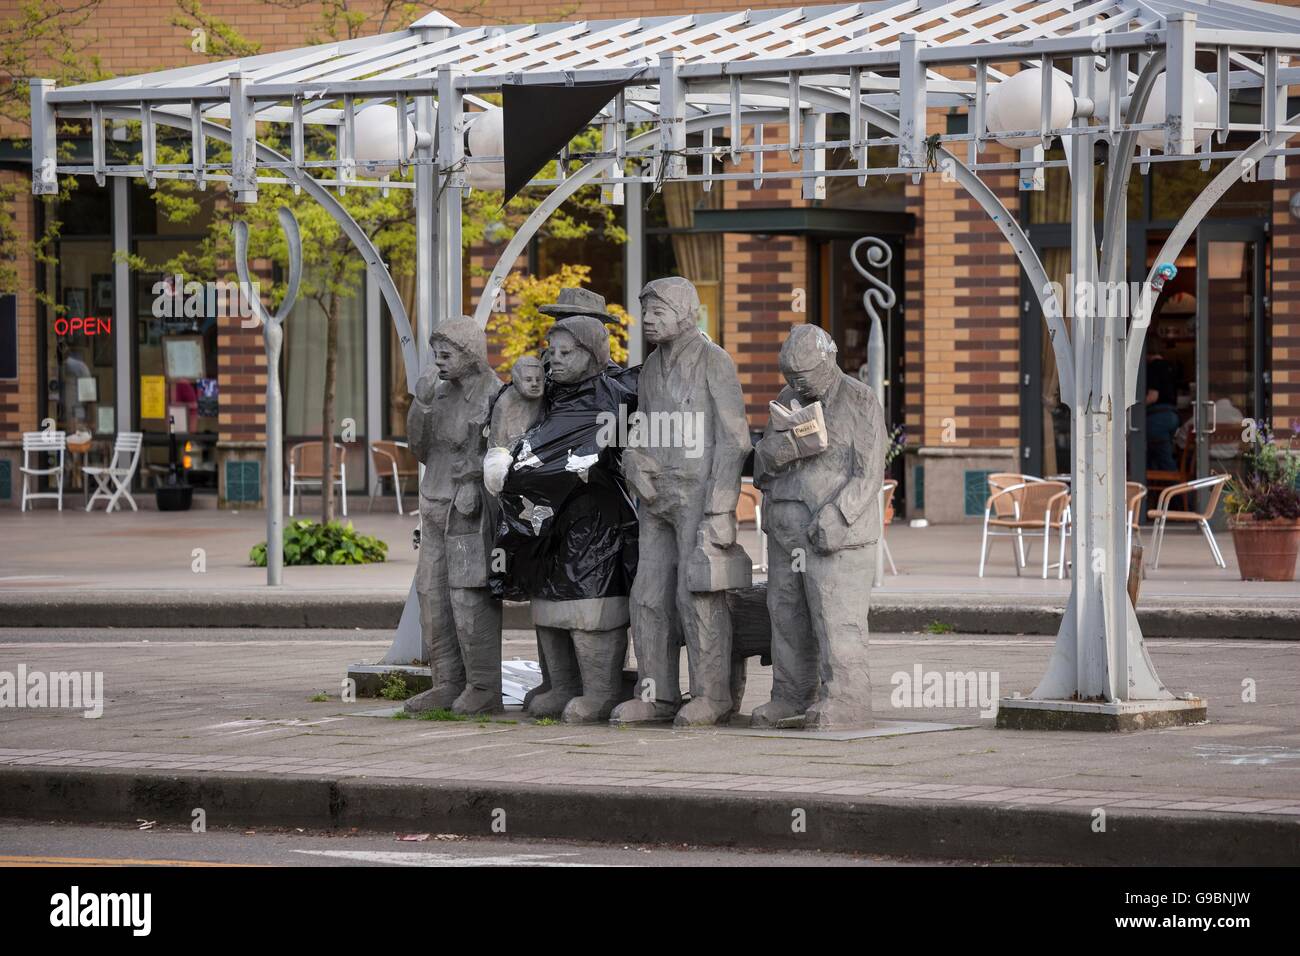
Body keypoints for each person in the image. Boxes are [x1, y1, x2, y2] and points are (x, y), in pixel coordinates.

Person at [489, 290, 639, 723]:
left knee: (591, 607)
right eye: (551, 349)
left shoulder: (615, 392)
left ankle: (600, 689)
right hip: (544, 520)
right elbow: (508, 415)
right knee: (550, 605)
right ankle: (562, 684)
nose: (553, 358)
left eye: (565, 351)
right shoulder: (546, 390)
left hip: (595, 521)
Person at [610, 277, 751, 727]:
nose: (647, 321)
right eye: (645, 312)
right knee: (648, 595)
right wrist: (632, 455)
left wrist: (720, 508)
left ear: (685, 313)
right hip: (656, 499)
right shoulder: (650, 367)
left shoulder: (715, 361)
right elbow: (643, 426)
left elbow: (735, 440)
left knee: (698, 596)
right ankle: (656, 694)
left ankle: (712, 695)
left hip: (698, 495)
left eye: (657, 312)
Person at [751, 323, 886, 730]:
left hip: (834, 534)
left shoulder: (860, 400)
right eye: (789, 376)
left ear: (828, 361)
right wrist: (778, 450)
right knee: (786, 614)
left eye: (803, 375)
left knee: (834, 616)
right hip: (785, 531)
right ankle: (790, 694)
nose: (796, 384)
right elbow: (760, 469)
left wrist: (840, 514)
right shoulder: (787, 400)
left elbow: (870, 473)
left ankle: (846, 699)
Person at [404, 317, 504, 716]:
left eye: (447, 355)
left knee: (468, 597)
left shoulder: (494, 394)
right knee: (432, 595)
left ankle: (483, 686)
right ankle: (446, 683)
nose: (439, 363)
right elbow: (419, 448)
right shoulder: (439, 394)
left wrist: (473, 478)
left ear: (470, 353)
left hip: (470, 509)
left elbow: (502, 450)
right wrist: (422, 403)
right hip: (433, 503)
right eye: (436, 355)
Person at [1145, 350, 1181, 472]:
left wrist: (1134, 406)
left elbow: (1152, 396)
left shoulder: (1153, 367)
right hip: (1173, 416)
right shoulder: (1171, 367)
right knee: (1157, 454)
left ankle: (1177, 489)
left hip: (1157, 417)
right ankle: (1156, 488)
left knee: (1163, 458)